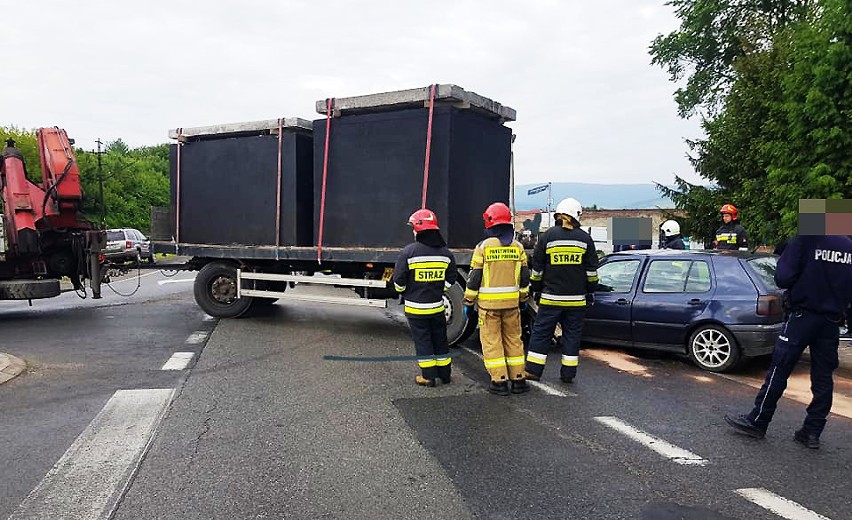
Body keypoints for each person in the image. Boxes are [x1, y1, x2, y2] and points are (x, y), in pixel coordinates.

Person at [725, 233, 852, 449]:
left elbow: (783, 277)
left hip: (802, 315)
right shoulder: (848, 245)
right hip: (831, 320)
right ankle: (812, 432)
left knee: (780, 368)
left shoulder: (808, 237)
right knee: (823, 377)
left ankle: (758, 421)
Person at [524, 197, 598, 384]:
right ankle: (568, 374)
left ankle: (533, 371)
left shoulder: (548, 237)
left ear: (559, 214)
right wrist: (590, 291)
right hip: (576, 302)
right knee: (572, 337)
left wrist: (536, 289)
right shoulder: (585, 239)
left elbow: (537, 270)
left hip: (550, 299)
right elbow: (591, 273)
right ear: (577, 215)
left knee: (541, 334)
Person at [463, 202, 531, 396]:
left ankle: (499, 382)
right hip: (512, 305)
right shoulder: (518, 247)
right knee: (514, 340)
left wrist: (468, 302)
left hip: (488, 307)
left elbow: (474, 278)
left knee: (492, 342)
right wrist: (523, 298)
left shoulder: (483, 247)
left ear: (489, 223)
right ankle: (518, 380)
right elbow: (524, 277)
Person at [393, 209, 458, 387]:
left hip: (416, 308)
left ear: (419, 229)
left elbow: (398, 280)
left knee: (423, 341)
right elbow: (450, 279)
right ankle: (445, 375)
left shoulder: (409, 252)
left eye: (413, 228)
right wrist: (437, 289)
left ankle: (428, 376)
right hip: (437, 307)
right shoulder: (446, 253)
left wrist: (405, 291)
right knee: (440, 340)